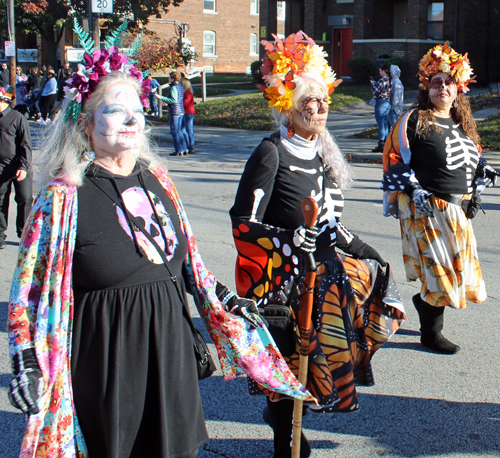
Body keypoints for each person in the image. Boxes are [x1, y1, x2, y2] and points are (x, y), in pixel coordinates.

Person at [7, 38, 312, 458]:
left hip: (169, 352)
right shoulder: (62, 197)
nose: (131, 119)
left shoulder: (158, 178)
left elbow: (188, 262)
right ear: (85, 123)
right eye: (115, 110)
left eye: (136, 109)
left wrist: (223, 297)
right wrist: (25, 356)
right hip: (106, 361)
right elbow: (29, 289)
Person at [230, 31, 405, 458]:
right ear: (288, 104)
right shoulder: (272, 152)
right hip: (285, 278)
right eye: (310, 100)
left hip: (326, 273)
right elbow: (242, 223)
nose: (320, 108)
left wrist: (366, 251)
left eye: (324, 99)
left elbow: (332, 225)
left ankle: (291, 422)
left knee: (322, 359)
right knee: (292, 362)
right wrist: (289, 239)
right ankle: (284, 434)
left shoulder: (323, 153)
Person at [381, 42, 498, 354]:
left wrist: (478, 188)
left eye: (448, 82)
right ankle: (431, 334)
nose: (442, 87)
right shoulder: (415, 118)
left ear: (457, 89)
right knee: (439, 274)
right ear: (426, 87)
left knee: (455, 273)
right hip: (425, 210)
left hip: (456, 212)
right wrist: (414, 191)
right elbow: (393, 157)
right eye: (436, 82)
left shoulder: (464, 127)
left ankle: (424, 305)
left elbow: (474, 163)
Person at [0, 82, 32, 250]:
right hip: (0, 167)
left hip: (19, 165)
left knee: (25, 199)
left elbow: (26, 144)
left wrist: (24, 166)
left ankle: (24, 234)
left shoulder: (17, 117)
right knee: (0, 201)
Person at [155, 71, 189, 156]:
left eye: (169, 77)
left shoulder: (174, 87)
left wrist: (161, 97)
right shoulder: (180, 86)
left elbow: (174, 100)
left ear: (173, 78)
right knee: (180, 131)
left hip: (175, 111)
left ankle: (178, 150)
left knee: (175, 131)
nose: (168, 78)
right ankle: (184, 148)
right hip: (181, 110)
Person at [370, 62, 391, 152]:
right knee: (386, 124)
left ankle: (381, 144)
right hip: (388, 101)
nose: (379, 72)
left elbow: (376, 91)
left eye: (380, 70)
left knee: (381, 125)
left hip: (381, 102)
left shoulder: (382, 80)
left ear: (383, 70)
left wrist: (372, 83)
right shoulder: (390, 79)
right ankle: (386, 143)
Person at [181, 76, 196, 154]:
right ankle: (187, 144)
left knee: (189, 130)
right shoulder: (185, 92)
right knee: (182, 129)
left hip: (189, 112)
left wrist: (179, 103)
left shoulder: (188, 93)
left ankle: (191, 145)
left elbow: (186, 103)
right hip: (185, 112)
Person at [388, 64, 404, 129]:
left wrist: (393, 106)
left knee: (394, 128)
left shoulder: (396, 82)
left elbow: (396, 96)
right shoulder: (394, 81)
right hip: (394, 108)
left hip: (394, 110)